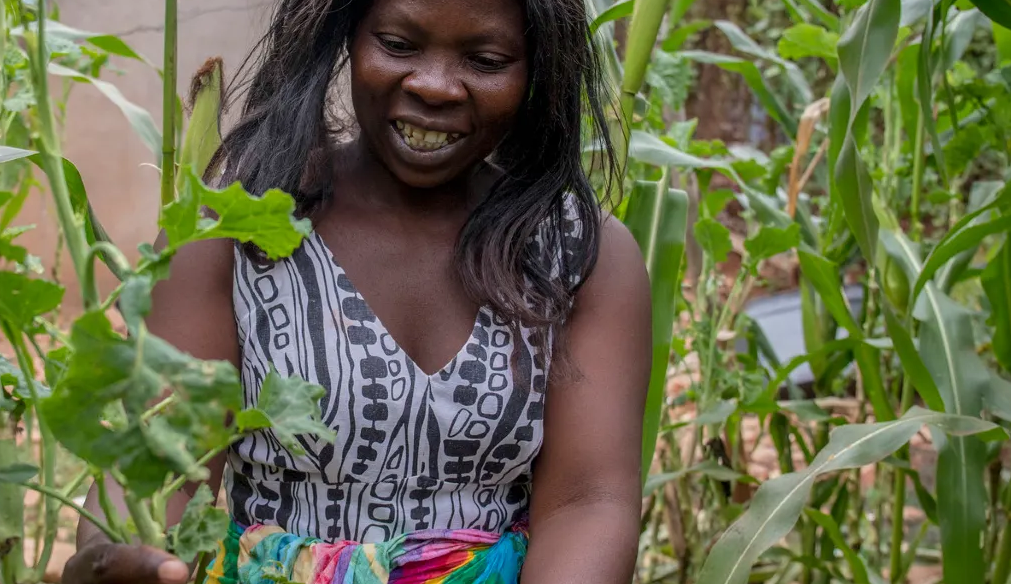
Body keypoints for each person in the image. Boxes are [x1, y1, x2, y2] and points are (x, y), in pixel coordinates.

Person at [64, 0, 651, 581]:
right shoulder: (229, 229)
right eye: (398, 45)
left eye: (487, 59)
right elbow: (157, 469)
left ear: (536, 72)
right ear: (345, 37)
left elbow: (588, 501)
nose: (435, 85)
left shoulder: (579, 254)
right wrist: (115, 561)